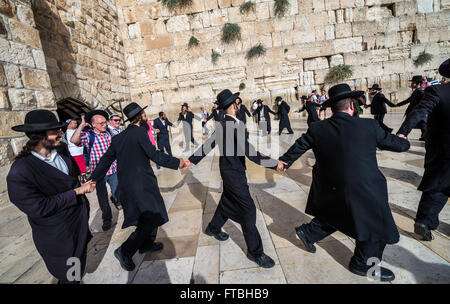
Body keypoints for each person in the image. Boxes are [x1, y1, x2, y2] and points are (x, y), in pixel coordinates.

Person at [277, 84, 410, 282]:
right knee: (375, 226)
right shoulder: (369, 126)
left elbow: (299, 146)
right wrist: (403, 139)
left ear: (333, 107)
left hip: (331, 187)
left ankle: (309, 232)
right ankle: (364, 265)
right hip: (365, 188)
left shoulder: (317, 128)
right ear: (352, 106)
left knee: (341, 211)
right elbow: (398, 145)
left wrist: (283, 162)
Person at [91, 103, 190, 271]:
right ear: (139, 117)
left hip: (129, 187)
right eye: (144, 114)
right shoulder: (140, 132)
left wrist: (93, 178)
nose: (146, 117)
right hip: (142, 185)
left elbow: (105, 160)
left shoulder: (118, 138)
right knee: (149, 218)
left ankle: (146, 245)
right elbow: (155, 155)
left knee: (151, 215)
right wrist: (178, 162)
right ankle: (124, 250)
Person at [189, 89, 278, 268]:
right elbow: (250, 153)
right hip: (233, 174)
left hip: (229, 171)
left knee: (227, 202)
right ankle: (256, 252)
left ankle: (213, 228)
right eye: (237, 101)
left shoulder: (224, 123)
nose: (239, 103)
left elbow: (208, 144)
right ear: (233, 105)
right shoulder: (230, 125)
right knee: (248, 211)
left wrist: (190, 160)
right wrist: (274, 164)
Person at [7, 110, 95, 284]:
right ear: (39, 136)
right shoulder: (21, 171)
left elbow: (71, 177)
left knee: (79, 265)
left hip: (79, 225)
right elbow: (39, 208)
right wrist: (77, 192)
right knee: (71, 277)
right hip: (60, 236)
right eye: (56, 131)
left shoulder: (61, 150)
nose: (61, 134)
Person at [396, 58, 450, 241]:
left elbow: (420, 111)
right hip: (442, 148)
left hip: (440, 147)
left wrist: (403, 132)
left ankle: (425, 221)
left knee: (437, 184)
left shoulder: (437, 91)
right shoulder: (437, 90)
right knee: (441, 185)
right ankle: (425, 221)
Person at [71, 110, 121, 230]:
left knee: (118, 192)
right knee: (102, 198)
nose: (105, 125)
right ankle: (107, 219)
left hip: (113, 169)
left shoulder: (109, 132)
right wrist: (81, 126)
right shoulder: (89, 136)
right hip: (98, 173)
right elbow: (74, 140)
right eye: (101, 123)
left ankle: (115, 199)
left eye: (105, 122)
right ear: (93, 124)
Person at [395, 75, 427, 140]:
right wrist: (397, 105)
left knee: (409, 124)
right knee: (422, 124)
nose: (412, 84)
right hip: (415, 112)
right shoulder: (417, 91)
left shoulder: (420, 91)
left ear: (418, 83)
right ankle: (425, 136)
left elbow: (424, 100)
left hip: (415, 112)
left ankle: (403, 136)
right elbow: (408, 100)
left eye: (413, 83)